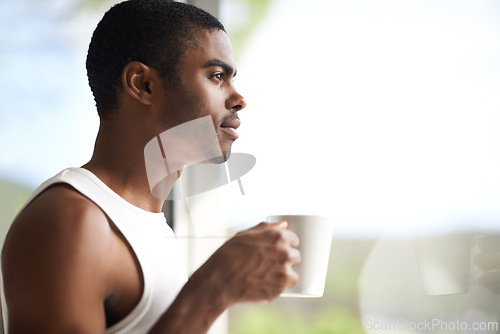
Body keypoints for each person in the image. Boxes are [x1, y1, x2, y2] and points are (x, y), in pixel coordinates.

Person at [0, 1, 301, 333]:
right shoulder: (71, 221)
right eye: (217, 76)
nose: (238, 98)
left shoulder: (149, 229)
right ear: (142, 84)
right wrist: (215, 288)